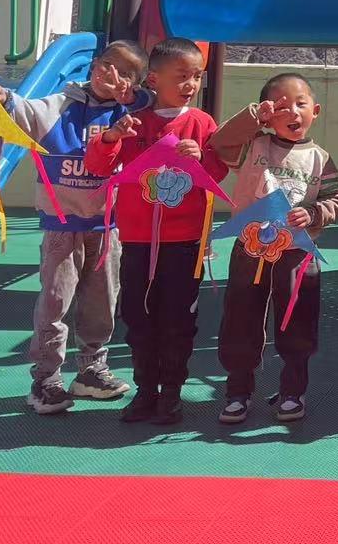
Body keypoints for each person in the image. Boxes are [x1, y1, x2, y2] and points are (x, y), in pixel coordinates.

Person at [0, 39, 150, 415]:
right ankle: (46, 379)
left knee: (102, 302)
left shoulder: (128, 114)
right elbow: (22, 110)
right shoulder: (58, 106)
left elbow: (152, 104)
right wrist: (2, 97)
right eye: (108, 64)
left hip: (105, 228)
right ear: (94, 65)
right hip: (62, 227)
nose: (113, 75)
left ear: (135, 85)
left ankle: (91, 370)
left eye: (126, 73)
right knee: (55, 302)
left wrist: (131, 97)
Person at [84, 37, 227, 426]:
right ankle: (146, 391)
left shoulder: (202, 123)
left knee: (178, 320)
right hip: (138, 241)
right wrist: (111, 137)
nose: (190, 84)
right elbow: (99, 165)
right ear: (153, 80)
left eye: (196, 76)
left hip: (185, 242)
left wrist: (202, 157)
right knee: (139, 317)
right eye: (181, 76)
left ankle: (171, 394)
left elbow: (217, 172)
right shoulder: (135, 121)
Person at [211, 72, 338, 425]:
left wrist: (314, 212)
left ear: (315, 110)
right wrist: (253, 116)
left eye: (301, 104)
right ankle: (238, 392)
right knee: (241, 319)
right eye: (283, 106)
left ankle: (293, 391)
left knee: (297, 320)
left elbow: (336, 197)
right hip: (251, 248)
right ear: (269, 114)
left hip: (296, 253)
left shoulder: (320, 158)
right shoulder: (253, 145)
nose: (293, 112)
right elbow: (219, 142)